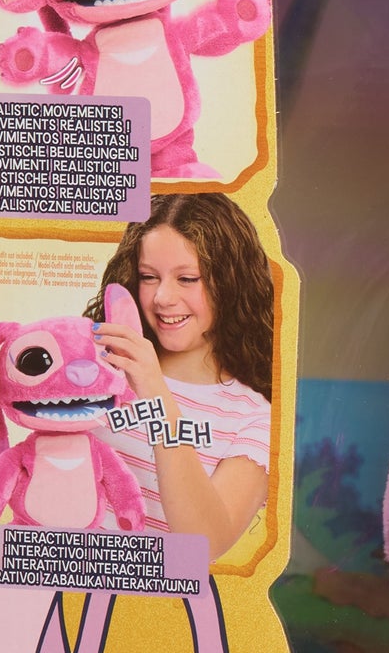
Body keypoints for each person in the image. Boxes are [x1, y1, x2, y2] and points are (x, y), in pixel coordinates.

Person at [89, 193, 275, 556]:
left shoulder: (254, 419)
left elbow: (205, 542)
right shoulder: (100, 364)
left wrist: (155, 392)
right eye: (148, 277)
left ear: (232, 282)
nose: (162, 297)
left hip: (147, 591)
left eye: (187, 278)